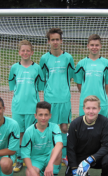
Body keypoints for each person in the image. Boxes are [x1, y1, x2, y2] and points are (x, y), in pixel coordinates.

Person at [62, 95, 108, 176]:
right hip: (79, 159)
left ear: (99, 109)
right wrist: (74, 170)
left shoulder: (104, 122)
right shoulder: (75, 124)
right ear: (83, 109)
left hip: (96, 158)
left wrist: (90, 159)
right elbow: (70, 148)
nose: (91, 111)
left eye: (94, 108)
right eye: (88, 108)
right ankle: (82, 173)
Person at [39, 28, 75, 167]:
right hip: (50, 99)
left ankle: (64, 155)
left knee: (64, 128)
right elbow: (42, 78)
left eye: (57, 39)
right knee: (50, 128)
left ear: (61, 41)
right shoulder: (44, 58)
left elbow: (71, 76)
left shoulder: (68, 58)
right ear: (48, 41)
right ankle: (51, 154)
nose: (55, 42)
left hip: (64, 98)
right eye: (52, 40)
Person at [9, 40, 44, 173]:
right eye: (23, 50)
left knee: (30, 133)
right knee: (19, 134)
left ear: (32, 52)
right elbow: (13, 87)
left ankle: (30, 158)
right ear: (19, 52)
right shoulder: (14, 68)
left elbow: (40, 87)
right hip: (18, 107)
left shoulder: (37, 68)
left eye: (28, 50)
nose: (25, 53)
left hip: (32, 107)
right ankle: (19, 159)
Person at [21, 101, 63, 176]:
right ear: (35, 116)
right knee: (30, 175)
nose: (43, 118)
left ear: (50, 116)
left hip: (49, 157)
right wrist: (31, 170)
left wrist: (50, 164)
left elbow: (59, 144)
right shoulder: (29, 131)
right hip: (36, 159)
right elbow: (25, 154)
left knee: (58, 152)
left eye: (46, 115)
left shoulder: (54, 127)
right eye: (40, 115)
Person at [74, 34, 108, 117]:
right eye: (92, 45)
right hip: (85, 102)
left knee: (101, 128)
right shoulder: (81, 63)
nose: (94, 47)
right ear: (88, 46)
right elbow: (79, 84)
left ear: (100, 46)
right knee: (85, 128)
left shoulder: (107, 63)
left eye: (97, 45)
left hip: (101, 102)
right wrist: (86, 93)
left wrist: (101, 94)